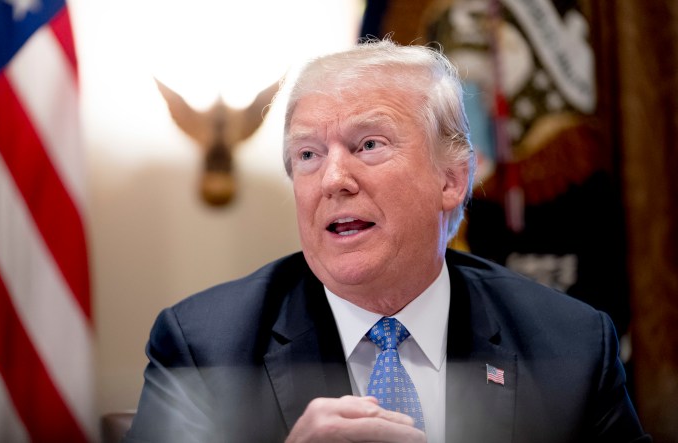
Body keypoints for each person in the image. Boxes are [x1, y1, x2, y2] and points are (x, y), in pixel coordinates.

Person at [124, 39, 650, 443]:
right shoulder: (205, 348)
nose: (332, 179)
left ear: (451, 180)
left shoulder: (569, 346)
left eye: (368, 144)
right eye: (307, 155)